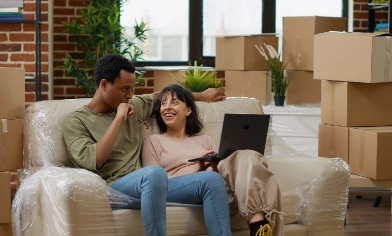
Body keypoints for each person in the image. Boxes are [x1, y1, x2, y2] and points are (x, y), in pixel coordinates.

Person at [61, 54, 226, 236]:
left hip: (151, 188)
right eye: (124, 89)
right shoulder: (75, 121)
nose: (130, 95)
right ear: (104, 84)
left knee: (212, 180)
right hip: (113, 190)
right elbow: (96, 159)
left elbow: (158, 96)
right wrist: (118, 120)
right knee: (154, 173)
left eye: (132, 89)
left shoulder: (133, 105)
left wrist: (201, 96)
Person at [142, 84, 284, 236]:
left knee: (248, 156)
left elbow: (218, 177)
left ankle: (258, 226)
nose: (167, 107)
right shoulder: (153, 141)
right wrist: (198, 170)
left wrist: (215, 167)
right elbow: (152, 183)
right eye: (163, 103)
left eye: (174, 102)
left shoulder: (205, 140)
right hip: (176, 189)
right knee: (210, 178)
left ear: (188, 110)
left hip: (213, 190)